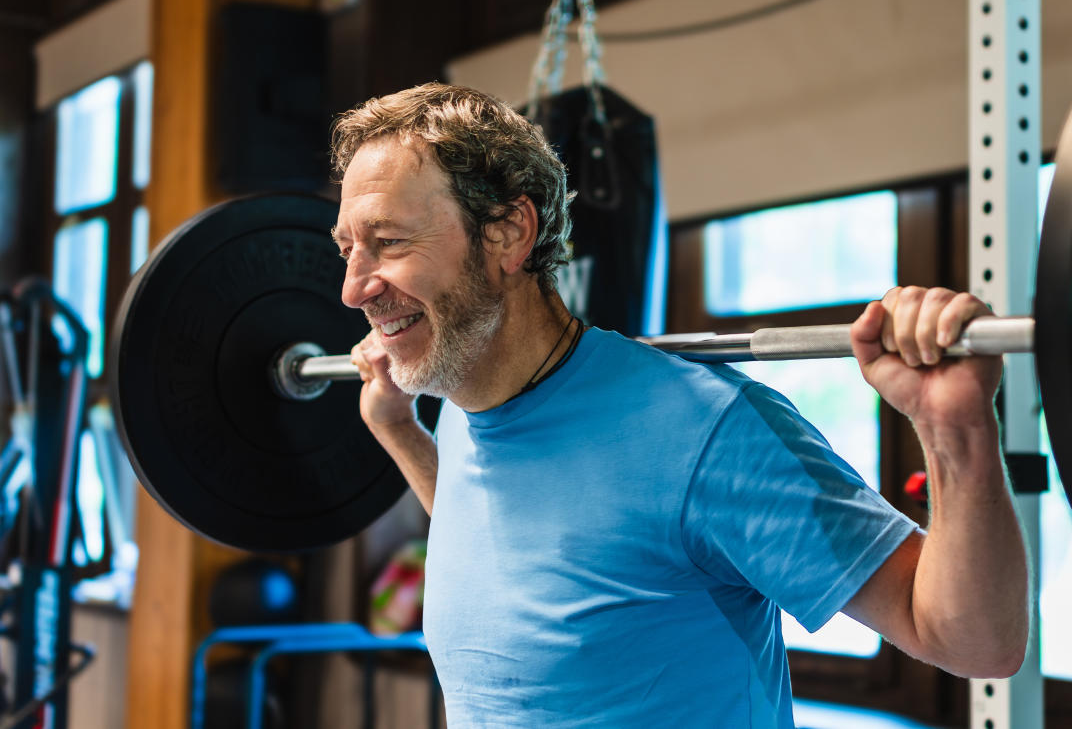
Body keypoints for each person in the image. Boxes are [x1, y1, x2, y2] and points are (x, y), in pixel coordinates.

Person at [332, 83, 1028, 727]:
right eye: (347, 249)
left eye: (388, 242)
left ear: (509, 233)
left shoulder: (702, 429)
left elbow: (971, 642)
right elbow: (511, 547)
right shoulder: (462, 408)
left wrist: (955, 431)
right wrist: (399, 430)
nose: (354, 287)